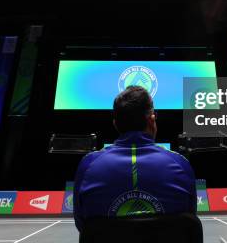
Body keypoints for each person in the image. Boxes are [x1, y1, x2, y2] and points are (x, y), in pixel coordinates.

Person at [73, 85, 197, 233]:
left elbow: (83, 226)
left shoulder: (88, 165)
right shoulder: (180, 164)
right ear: (151, 120)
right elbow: (189, 222)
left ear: (115, 123)